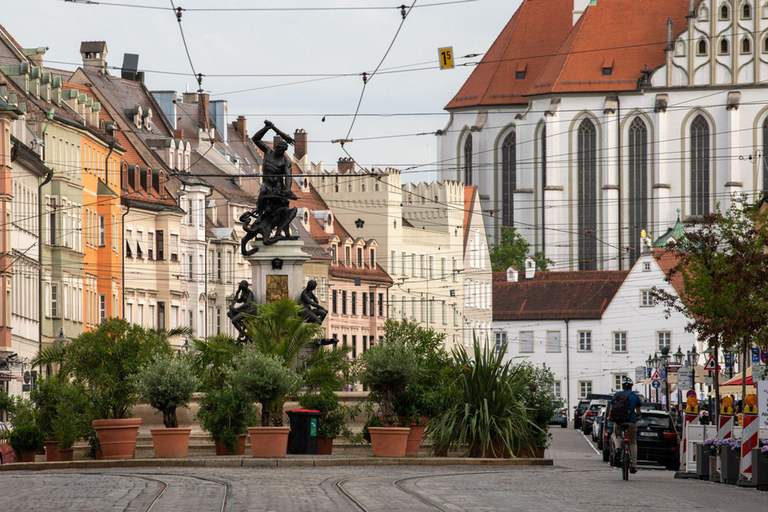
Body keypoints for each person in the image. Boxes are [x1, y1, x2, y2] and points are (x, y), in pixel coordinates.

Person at [606, 377, 643, 474]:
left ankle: (618, 448)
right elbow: (638, 411)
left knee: (615, 434)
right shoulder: (635, 396)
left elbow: (611, 408)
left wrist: (610, 418)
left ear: (622, 386)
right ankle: (634, 465)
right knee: (633, 442)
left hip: (619, 422)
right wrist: (638, 417)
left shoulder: (616, 395)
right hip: (631, 422)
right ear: (631, 387)